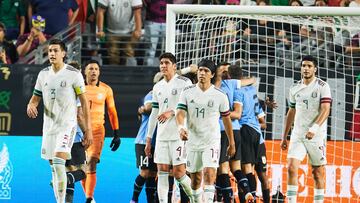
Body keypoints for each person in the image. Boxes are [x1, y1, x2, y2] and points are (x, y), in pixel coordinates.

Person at [26, 38, 93, 203]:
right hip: (49, 128)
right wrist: (30, 105)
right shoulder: (43, 75)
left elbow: (84, 102)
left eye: (56, 50)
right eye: (50, 51)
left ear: (63, 53)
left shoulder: (73, 74)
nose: (52, 54)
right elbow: (35, 99)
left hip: (67, 126)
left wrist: (88, 130)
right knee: (55, 171)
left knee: (58, 162)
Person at [175, 59, 236, 203]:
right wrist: (181, 128)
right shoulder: (187, 92)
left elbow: (227, 120)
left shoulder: (220, 95)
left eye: (206, 71)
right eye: (200, 70)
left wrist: (231, 142)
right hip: (192, 140)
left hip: (211, 140)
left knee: (210, 174)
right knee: (195, 180)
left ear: (212, 74)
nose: (202, 73)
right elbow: (180, 113)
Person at [280, 55, 332, 203]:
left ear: (315, 69)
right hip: (298, 135)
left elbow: (325, 109)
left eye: (309, 66)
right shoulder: (294, 88)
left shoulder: (323, 86)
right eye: (304, 66)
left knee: (317, 173)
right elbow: (291, 111)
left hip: (317, 136)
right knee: (291, 167)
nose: (306, 68)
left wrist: (314, 128)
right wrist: (284, 136)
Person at [144, 52, 193, 203]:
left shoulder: (185, 83)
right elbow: (154, 113)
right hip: (162, 137)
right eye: (161, 63)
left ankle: (195, 197)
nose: (163, 66)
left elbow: (191, 106)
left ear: (174, 66)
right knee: (162, 171)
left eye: (166, 63)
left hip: (179, 134)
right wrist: (148, 139)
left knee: (179, 173)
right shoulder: (157, 86)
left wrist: (172, 112)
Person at [214, 62, 255, 203]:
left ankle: (228, 199)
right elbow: (252, 80)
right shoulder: (231, 84)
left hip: (222, 129)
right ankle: (248, 192)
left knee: (223, 170)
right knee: (236, 168)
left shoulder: (211, 87)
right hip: (236, 129)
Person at [82, 59, 121, 203]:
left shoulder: (105, 89)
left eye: (96, 69)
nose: (93, 71)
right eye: (91, 68)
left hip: (98, 130)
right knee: (82, 166)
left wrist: (116, 133)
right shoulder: (78, 87)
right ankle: (90, 198)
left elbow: (112, 112)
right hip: (80, 131)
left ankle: (88, 197)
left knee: (91, 162)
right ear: (85, 71)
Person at [131, 72, 163, 203]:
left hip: (158, 141)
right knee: (144, 173)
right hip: (144, 141)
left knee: (153, 174)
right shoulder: (151, 95)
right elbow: (149, 107)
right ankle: (134, 199)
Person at [64, 61, 92, 203]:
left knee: (70, 170)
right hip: (74, 138)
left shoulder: (61, 88)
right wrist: (87, 132)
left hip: (60, 139)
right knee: (83, 171)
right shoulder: (77, 89)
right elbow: (79, 115)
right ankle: (64, 179)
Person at [96, 0, 142, 65]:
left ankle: (128, 74)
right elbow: (100, 12)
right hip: (111, 32)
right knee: (112, 55)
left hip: (130, 32)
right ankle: (114, 74)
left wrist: (138, 30)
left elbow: (138, 13)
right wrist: (100, 30)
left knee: (128, 54)